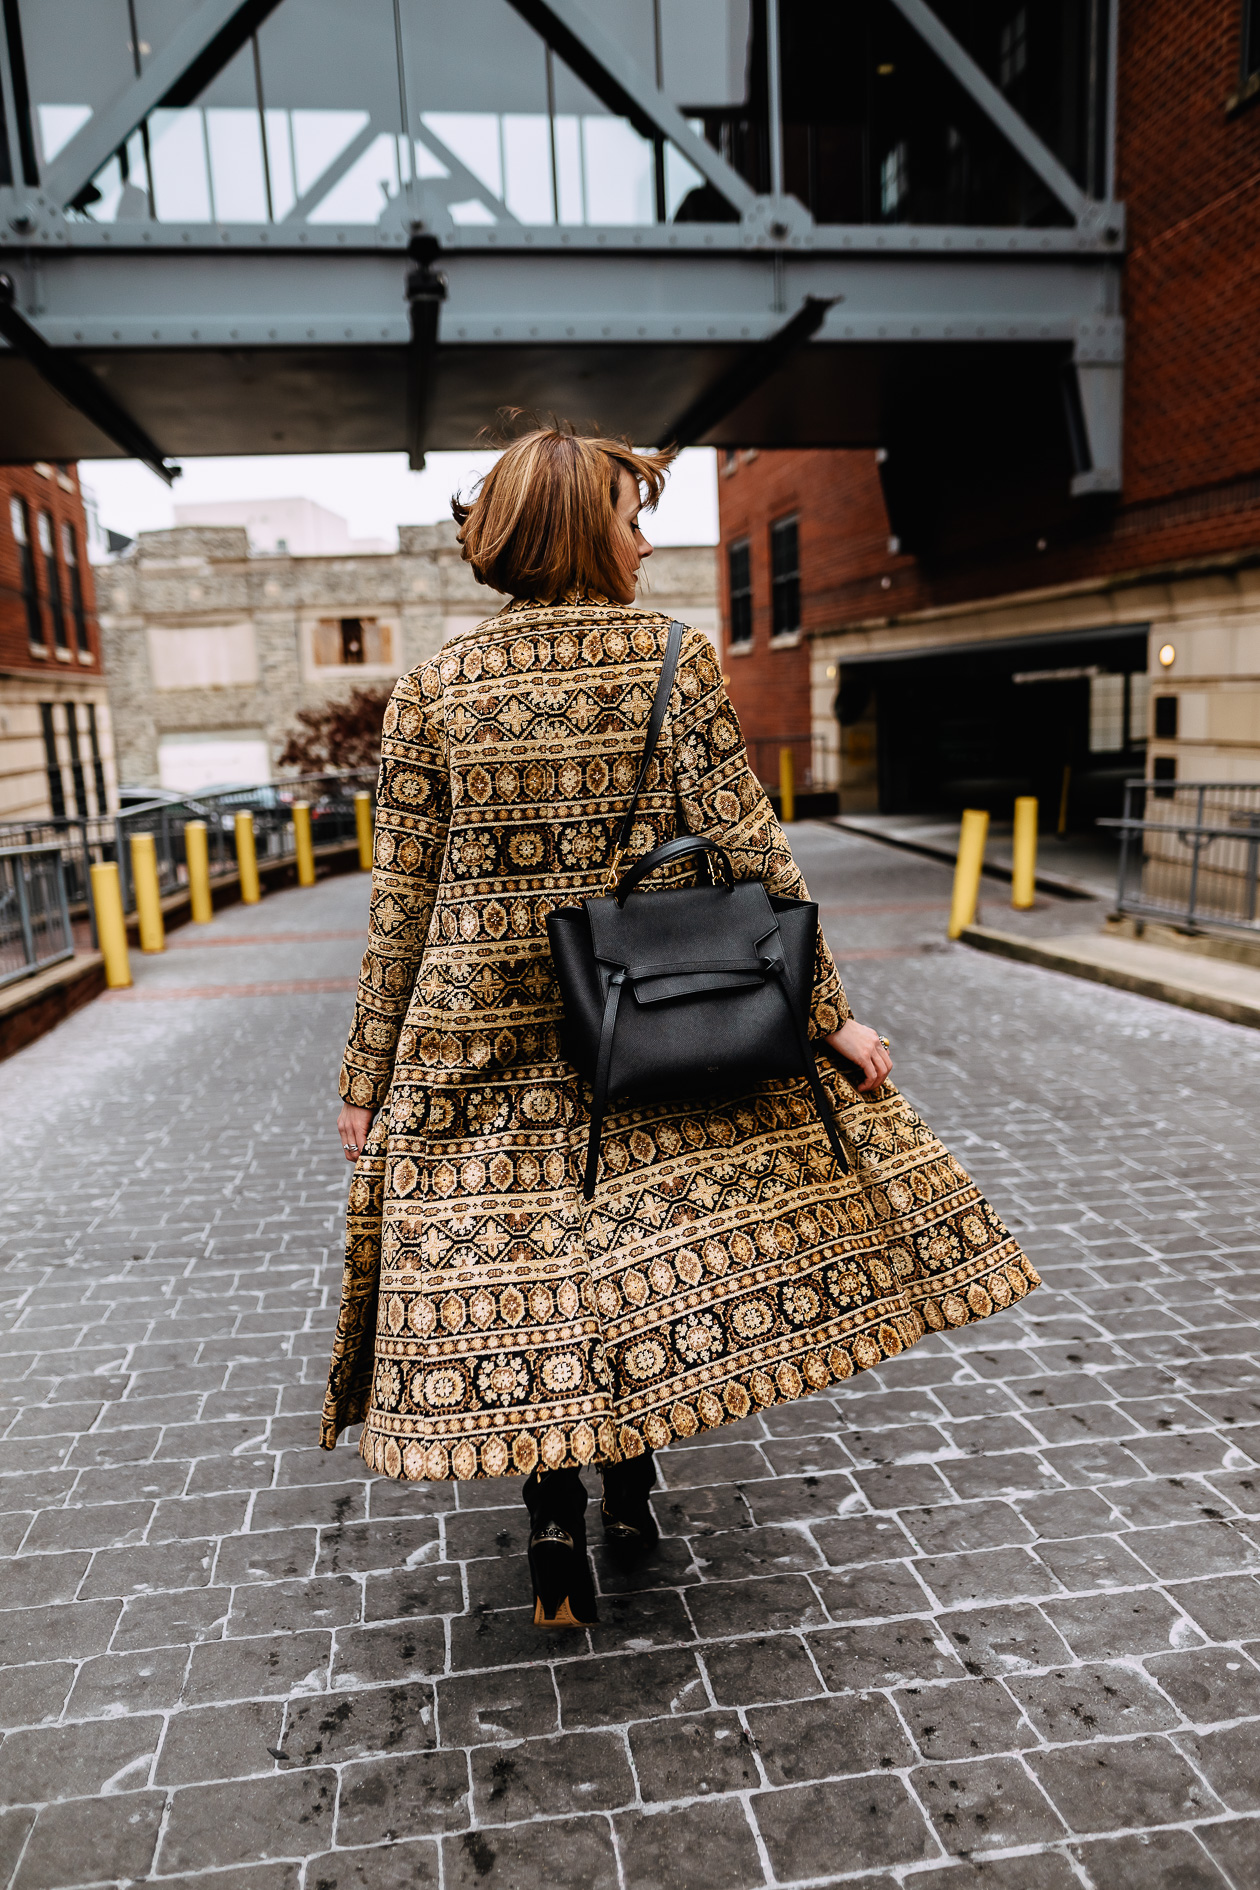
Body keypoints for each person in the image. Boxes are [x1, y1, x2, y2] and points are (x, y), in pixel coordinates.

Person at [321, 421, 1039, 1627]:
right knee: (631, 1268)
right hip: (639, 1014)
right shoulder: (675, 659)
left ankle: (553, 1535)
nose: (645, 538)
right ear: (580, 531)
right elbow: (757, 858)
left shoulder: (430, 693)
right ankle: (634, 1487)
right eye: (629, 514)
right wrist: (832, 1021)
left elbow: (401, 911)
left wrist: (366, 1077)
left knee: (534, 1282)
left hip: (470, 1046)